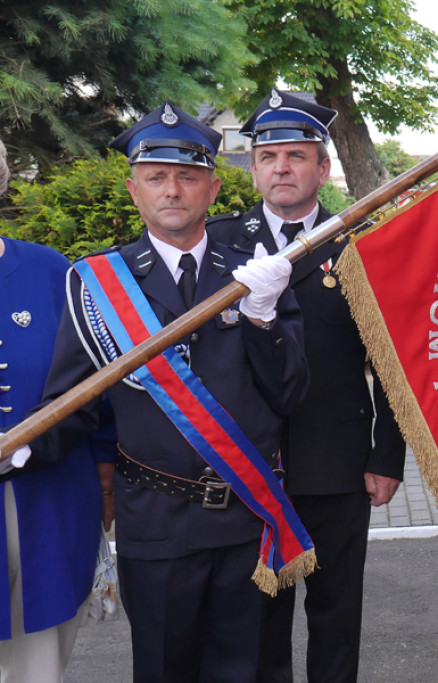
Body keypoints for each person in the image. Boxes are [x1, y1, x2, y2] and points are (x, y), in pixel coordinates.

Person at [6, 103, 310, 682]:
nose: (173, 190)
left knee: (248, 671)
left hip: (247, 513)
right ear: (133, 188)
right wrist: (21, 448)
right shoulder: (98, 282)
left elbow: (291, 393)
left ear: (214, 187)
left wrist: (264, 318)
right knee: (165, 671)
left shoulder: (257, 272)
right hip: (156, 521)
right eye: (156, 176)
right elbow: (74, 404)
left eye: (188, 176)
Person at [208, 89, 405, 683]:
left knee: (337, 615)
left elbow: (391, 361)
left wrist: (387, 454)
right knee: (259, 622)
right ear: (253, 170)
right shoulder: (220, 246)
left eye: (297, 156)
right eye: (269, 158)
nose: (281, 168)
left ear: (323, 168)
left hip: (337, 464)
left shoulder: (363, 244)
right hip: (249, 466)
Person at [0, 137, 116, 682]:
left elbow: (92, 388)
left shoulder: (51, 272)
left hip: (50, 503)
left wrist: (107, 481)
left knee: (37, 666)